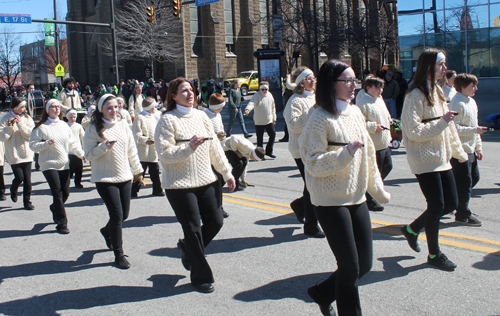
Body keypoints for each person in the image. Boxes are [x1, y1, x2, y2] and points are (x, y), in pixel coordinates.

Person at [300, 59, 390, 316]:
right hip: (329, 200)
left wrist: (377, 189)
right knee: (349, 267)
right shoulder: (319, 118)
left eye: (354, 80)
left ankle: (321, 292)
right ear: (332, 84)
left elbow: (369, 154)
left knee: (364, 264)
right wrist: (345, 153)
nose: (354, 86)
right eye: (347, 81)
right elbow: (313, 162)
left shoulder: (355, 112)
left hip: (356, 197)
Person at [154, 78, 236, 293]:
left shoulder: (201, 115)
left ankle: (188, 250)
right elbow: (164, 154)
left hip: (206, 179)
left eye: (191, 90)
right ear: (173, 95)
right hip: (179, 184)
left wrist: (227, 173)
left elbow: (215, 149)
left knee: (216, 221)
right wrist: (188, 148)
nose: (190, 94)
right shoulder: (167, 120)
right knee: (192, 229)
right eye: (184, 91)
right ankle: (200, 276)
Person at [400, 48, 468, 272]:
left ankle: (412, 229)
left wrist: (459, 153)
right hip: (424, 158)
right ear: (428, 66)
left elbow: (450, 129)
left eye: (444, 64)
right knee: (437, 204)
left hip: (441, 156)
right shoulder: (415, 95)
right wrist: (441, 123)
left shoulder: (438, 91)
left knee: (450, 203)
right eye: (440, 64)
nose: (444, 68)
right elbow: (411, 131)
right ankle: (434, 253)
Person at [83, 94, 144, 269]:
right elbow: (88, 154)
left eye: (116, 106)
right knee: (117, 215)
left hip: (124, 176)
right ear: (101, 109)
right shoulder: (93, 128)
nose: (113, 110)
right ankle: (119, 254)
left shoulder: (123, 124)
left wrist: (138, 171)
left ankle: (106, 231)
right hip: (104, 178)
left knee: (124, 215)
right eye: (109, 107)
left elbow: (131, 148)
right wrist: (103, 147)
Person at [29, 100, 84, 234]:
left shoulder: (64, 125)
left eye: (58, 107)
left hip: (63, 163)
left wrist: (81, 154)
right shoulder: (41, 127)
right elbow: (32, 145)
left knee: (65, 193)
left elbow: (73, 143)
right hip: (48, 164)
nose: (56, 109)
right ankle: (62, 223)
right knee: (57, 192)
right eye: (53, 107)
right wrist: (45, 144)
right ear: (47, 109)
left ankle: (55, 207)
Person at [283, 67, 324, 238]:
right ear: (300, 82)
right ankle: (311, 226)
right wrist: (313, 109)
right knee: (312, 186)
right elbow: (293, 126)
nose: (312, 80)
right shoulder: (295, 100)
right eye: (308, 78)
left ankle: (300, 207)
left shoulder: (317, 97)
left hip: (317, 147)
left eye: (313, 77)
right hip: (301, 150)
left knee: (312, 185)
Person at [449, 73, 487, 226]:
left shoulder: (471, 102)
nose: (476, 89)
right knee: (465, 183)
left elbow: (474, 125)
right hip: (460, 150)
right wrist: (475, 130)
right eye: (473, 86)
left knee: (474, 178)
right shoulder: (456, 103)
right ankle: (462, 213)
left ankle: (455, 203)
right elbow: (454, 129)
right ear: (463, 87)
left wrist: (478, 146)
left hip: (470, 149)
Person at [356, 76, 393, 212]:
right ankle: (369, 198)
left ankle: (371, 189)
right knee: (374, 171)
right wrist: (373, 126)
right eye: (377, 87)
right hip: (373, 145)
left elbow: (385, 114)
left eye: (381, 87)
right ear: (368, 88)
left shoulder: (379, 100)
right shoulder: (362, 103)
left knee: (388, 167)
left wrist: (390, 120)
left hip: (384, 142)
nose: (380, 90)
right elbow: (358, 124)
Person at [0, 97, 35, 210]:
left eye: (24, 107)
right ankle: (13, 188)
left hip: (27, 153)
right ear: (15, 108)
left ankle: (27, 201)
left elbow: (31, 134)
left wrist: (20, 125)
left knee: (27, 180)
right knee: (19, 177)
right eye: (22, 107)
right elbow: (2, 137)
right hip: (14, 154)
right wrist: (9, 127)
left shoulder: (27, 118)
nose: (24, 109)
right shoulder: (5, 118)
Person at [131, 97, 163, 197]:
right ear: (149, 107)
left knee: (155, 171)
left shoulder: (152, 117)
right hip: (143, 151)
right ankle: (133, 190)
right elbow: (136, 135)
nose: (155, 108)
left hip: (153, 151)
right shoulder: (140, 118)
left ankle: (157, 189)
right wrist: (146, 140)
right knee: (140, 172)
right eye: (154, 106)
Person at [244, 81, 277, 158]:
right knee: (260, 140)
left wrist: (274, 118)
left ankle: (269, 151)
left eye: (266, 89)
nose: (264, 91)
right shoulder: (257, 95)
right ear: (259, 89)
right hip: (259, 121)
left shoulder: (270, 95)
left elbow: (273, 107)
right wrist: (248, 109)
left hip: (268, 120)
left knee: (273, 135)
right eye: (262, 89)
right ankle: (260, 155)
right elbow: (252, 102)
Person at [66, 109, 86, 188]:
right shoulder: (65, 126)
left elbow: (82, 137)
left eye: (74, 117)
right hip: (69, 151)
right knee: (70, 169)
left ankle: (78, 182)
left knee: (79, 169)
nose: (72, 118)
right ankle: (66, 182)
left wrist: (84, 147)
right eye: (70, 117)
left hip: (78, 150)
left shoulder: (78, 126)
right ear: (67, 117)